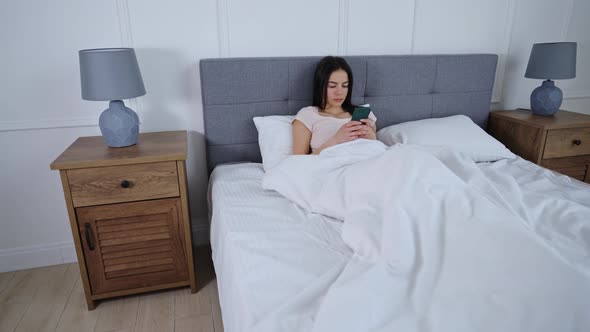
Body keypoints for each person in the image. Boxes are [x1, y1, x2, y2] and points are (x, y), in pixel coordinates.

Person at [292, 56, 377, 155]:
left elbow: (377, 152)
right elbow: (298, 163)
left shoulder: (364, 114)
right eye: (332, 86)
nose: (339, 92)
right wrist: (336, 140)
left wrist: (373, 138)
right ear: (320, 86)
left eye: (345, 85)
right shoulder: (307, 115)